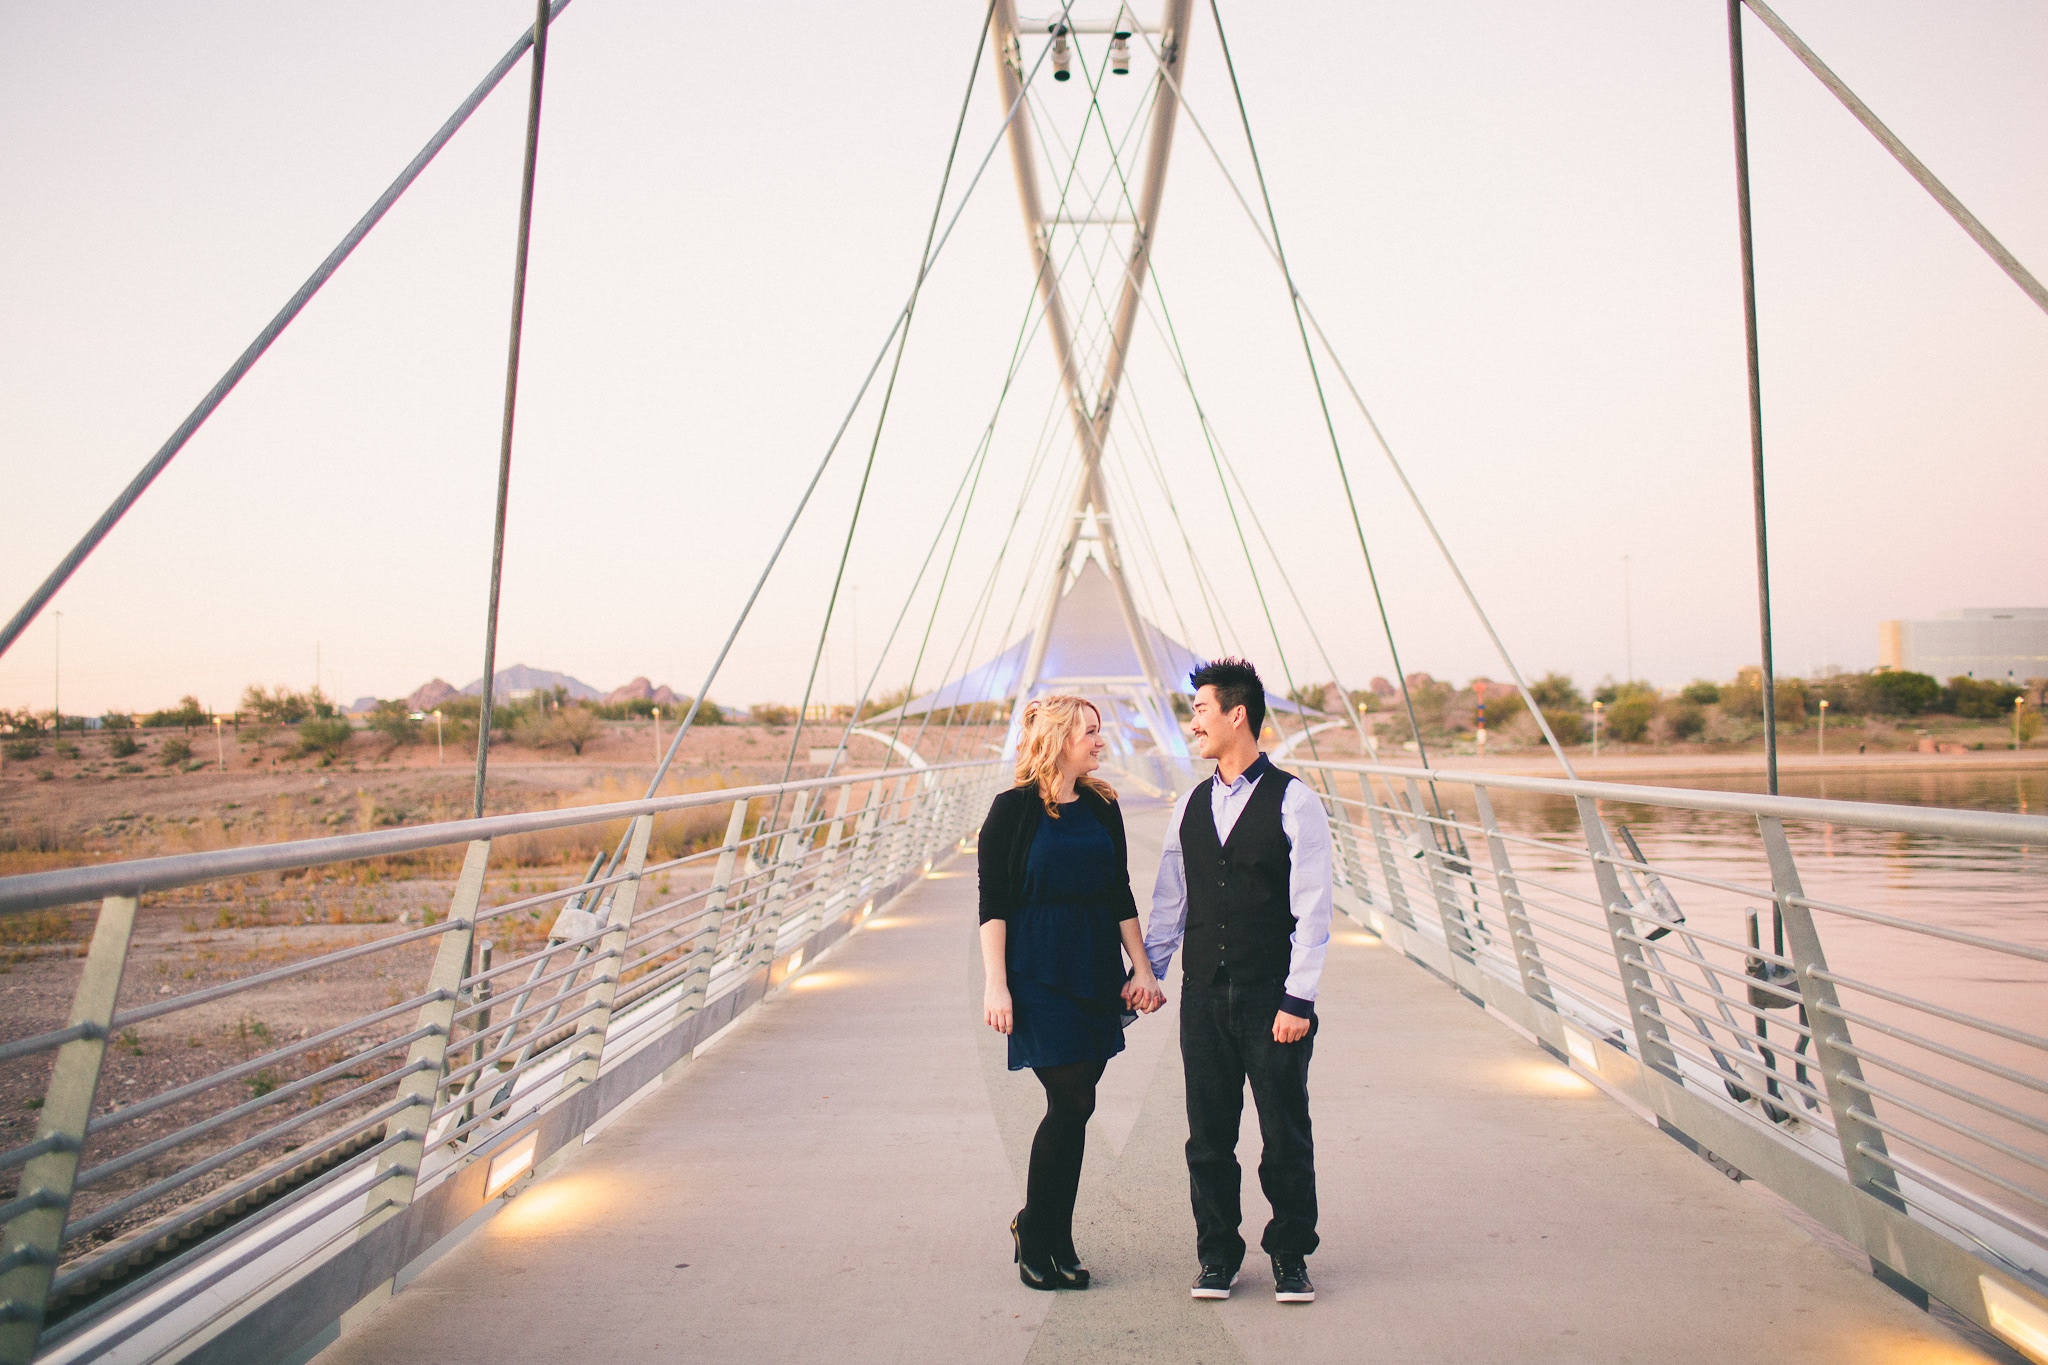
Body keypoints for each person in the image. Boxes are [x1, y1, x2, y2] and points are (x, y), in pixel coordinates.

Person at [1139, 657, 1332, 1304]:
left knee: (1285, 1133)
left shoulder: (1295, 800)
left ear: (1236, 714)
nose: (1192, 723)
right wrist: (1148, 974)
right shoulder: (1190, 804)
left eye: (1200, 710)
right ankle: (1218, 1255)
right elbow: (1171, 900)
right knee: (1208, 1136)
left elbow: (1313, 907)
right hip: (1203, 995)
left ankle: (1290, 1255)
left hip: (1271, 996)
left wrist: (1298, 997)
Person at [978, 695, 1164, 1290]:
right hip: (1037, 974)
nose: (1100, 741)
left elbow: (1119, 892)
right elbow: (993, 904)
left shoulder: (1103, 806)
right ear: (1059, 740)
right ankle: (1040, 1235)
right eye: (1090, 731)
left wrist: (1142, 969)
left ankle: (1051, 1236)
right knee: (1072, 1100)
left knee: (1076, 1106)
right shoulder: (1011, 811)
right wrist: (996, 985)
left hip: (1093, 971)